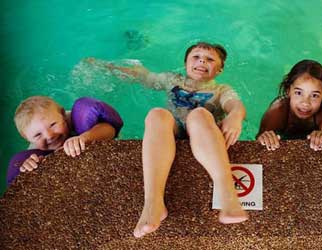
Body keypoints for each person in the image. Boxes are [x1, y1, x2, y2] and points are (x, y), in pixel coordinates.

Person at [88, 41, 248, 238]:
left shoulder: (222, 90)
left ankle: (228, 198)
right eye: (196, 57)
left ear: (220, 69)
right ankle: (153, 204)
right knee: (157, 114)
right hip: (173, 131)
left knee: (199, 114)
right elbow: (142, 75)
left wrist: (235, 117)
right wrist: (108, 67)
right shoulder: (172, 80)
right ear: (186, 63)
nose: (201, 61)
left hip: (203, 134)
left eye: (209, 59)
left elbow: (236, 105)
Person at [8, 96, 123, 185]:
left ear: (63, 114)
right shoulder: (35, 153)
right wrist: (30, 167)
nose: (49, 136)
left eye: (53, 125)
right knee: (18, 166)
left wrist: (85, 138)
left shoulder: (76, 120)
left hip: (92, 137)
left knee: (87, 107)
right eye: (38, 135)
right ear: (26, 138)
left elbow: (111, 130)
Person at [256, 59, 322, 151]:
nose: (305, 103)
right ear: (288, 91)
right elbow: (258, 143)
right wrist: (265, 138)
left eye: (314, 95)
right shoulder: (277, 111)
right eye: (298, 93)